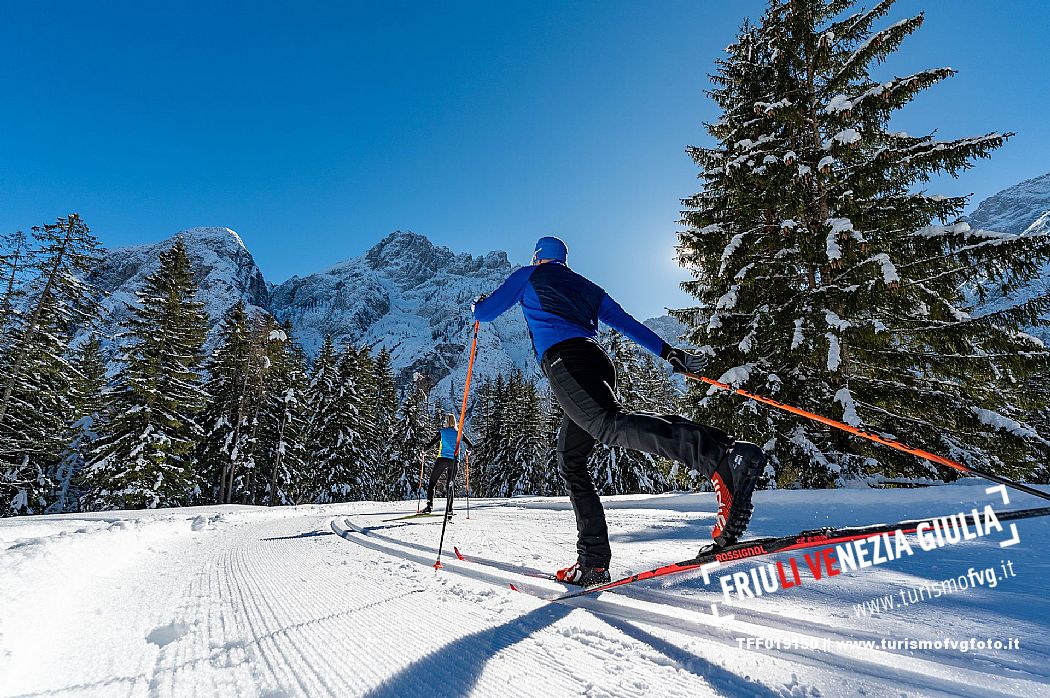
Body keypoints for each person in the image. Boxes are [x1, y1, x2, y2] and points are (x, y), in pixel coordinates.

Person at [472, 236, 766, 587]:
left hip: (565, 361)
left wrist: (477, 306)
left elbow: (486, 313)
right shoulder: (587, 287)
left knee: (607, 426)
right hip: (597, 361)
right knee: (571, 457)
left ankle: (718, 457)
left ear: (537, 258)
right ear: (564, 259)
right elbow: (625, 322)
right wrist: (668, 352)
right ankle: (593, 561)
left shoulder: (529, 276)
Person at [420, 414, 473, 515]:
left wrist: (423, 451)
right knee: (450, 485)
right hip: (454, 461)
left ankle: (429, 506)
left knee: (432, 483)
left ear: (446, 422)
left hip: (442, 460)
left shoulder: (442, 432)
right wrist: (467, 451)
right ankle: (449, 509)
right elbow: (470, 445)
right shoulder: (459, 433)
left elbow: (431, 444)